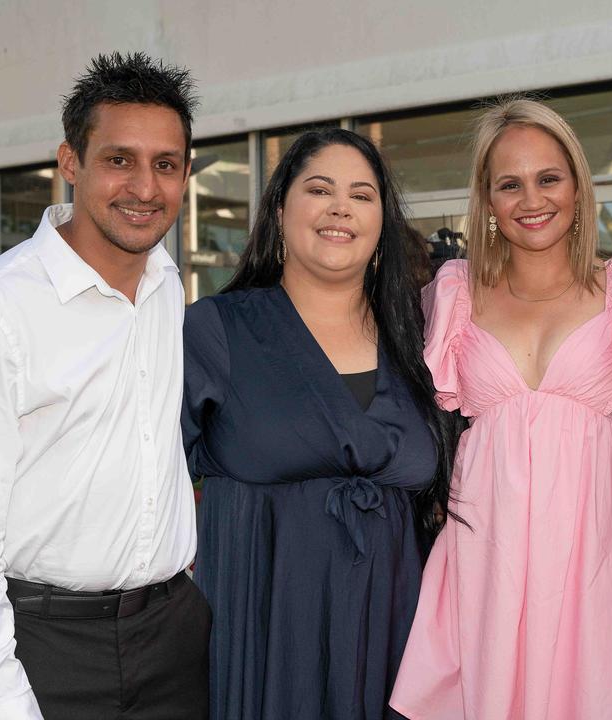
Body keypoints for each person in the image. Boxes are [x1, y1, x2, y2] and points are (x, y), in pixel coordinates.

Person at [0, 52, 209, 719]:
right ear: (70, 162)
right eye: (119, 159)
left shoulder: (168, 286)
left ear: (186, 174)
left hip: (174, 635)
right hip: (48, 646)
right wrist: (1, 704)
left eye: (166, 164)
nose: (145, 187)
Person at [391, 99, 612, 720]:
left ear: (577, 187)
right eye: (510, 184)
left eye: (548, 178)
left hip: (597, 560)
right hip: (487, 561)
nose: (532, 199)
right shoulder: (453, 298)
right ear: (487, 201)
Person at [182, 128, 458, 720]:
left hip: (396, 638)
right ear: (280, 211)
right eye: (319, 189)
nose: (341, 207)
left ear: (382, 222)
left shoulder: (424, 339)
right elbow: (146, 484)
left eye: (362, 195)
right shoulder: (216, 331)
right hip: (264, 638)